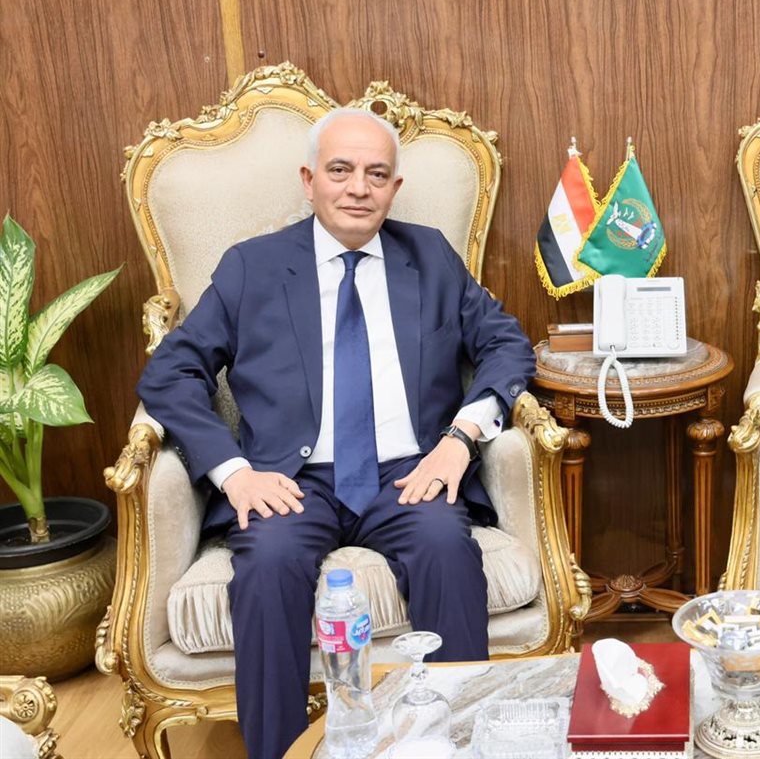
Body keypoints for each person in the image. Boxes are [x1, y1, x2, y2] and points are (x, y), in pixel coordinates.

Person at [137, 107, 535, 759]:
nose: (358, 188)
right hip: (289, 481)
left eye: (376, 174)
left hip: (408, 473)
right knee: (267, 566)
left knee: (445, 546)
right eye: (341, 170)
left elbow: (507, 345)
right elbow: (170, 373)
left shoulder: (430, 256)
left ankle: (456, 743)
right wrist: (233, 472)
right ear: (310, 180)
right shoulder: (252, 267)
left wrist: (460, 439)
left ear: (394, 188)